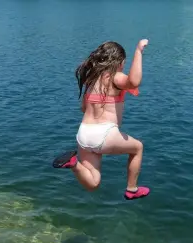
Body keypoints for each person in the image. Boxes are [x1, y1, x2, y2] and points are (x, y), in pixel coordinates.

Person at [52, 39, 150, 200]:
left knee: (93, 182)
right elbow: (133, 81)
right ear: (119, 62)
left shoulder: (91, 80)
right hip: (104, 134)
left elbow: (84, 108)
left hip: (83, 134)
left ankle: (73, 163)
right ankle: (132, 189)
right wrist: (138, 51)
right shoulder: (114, 77)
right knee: (138, 148)